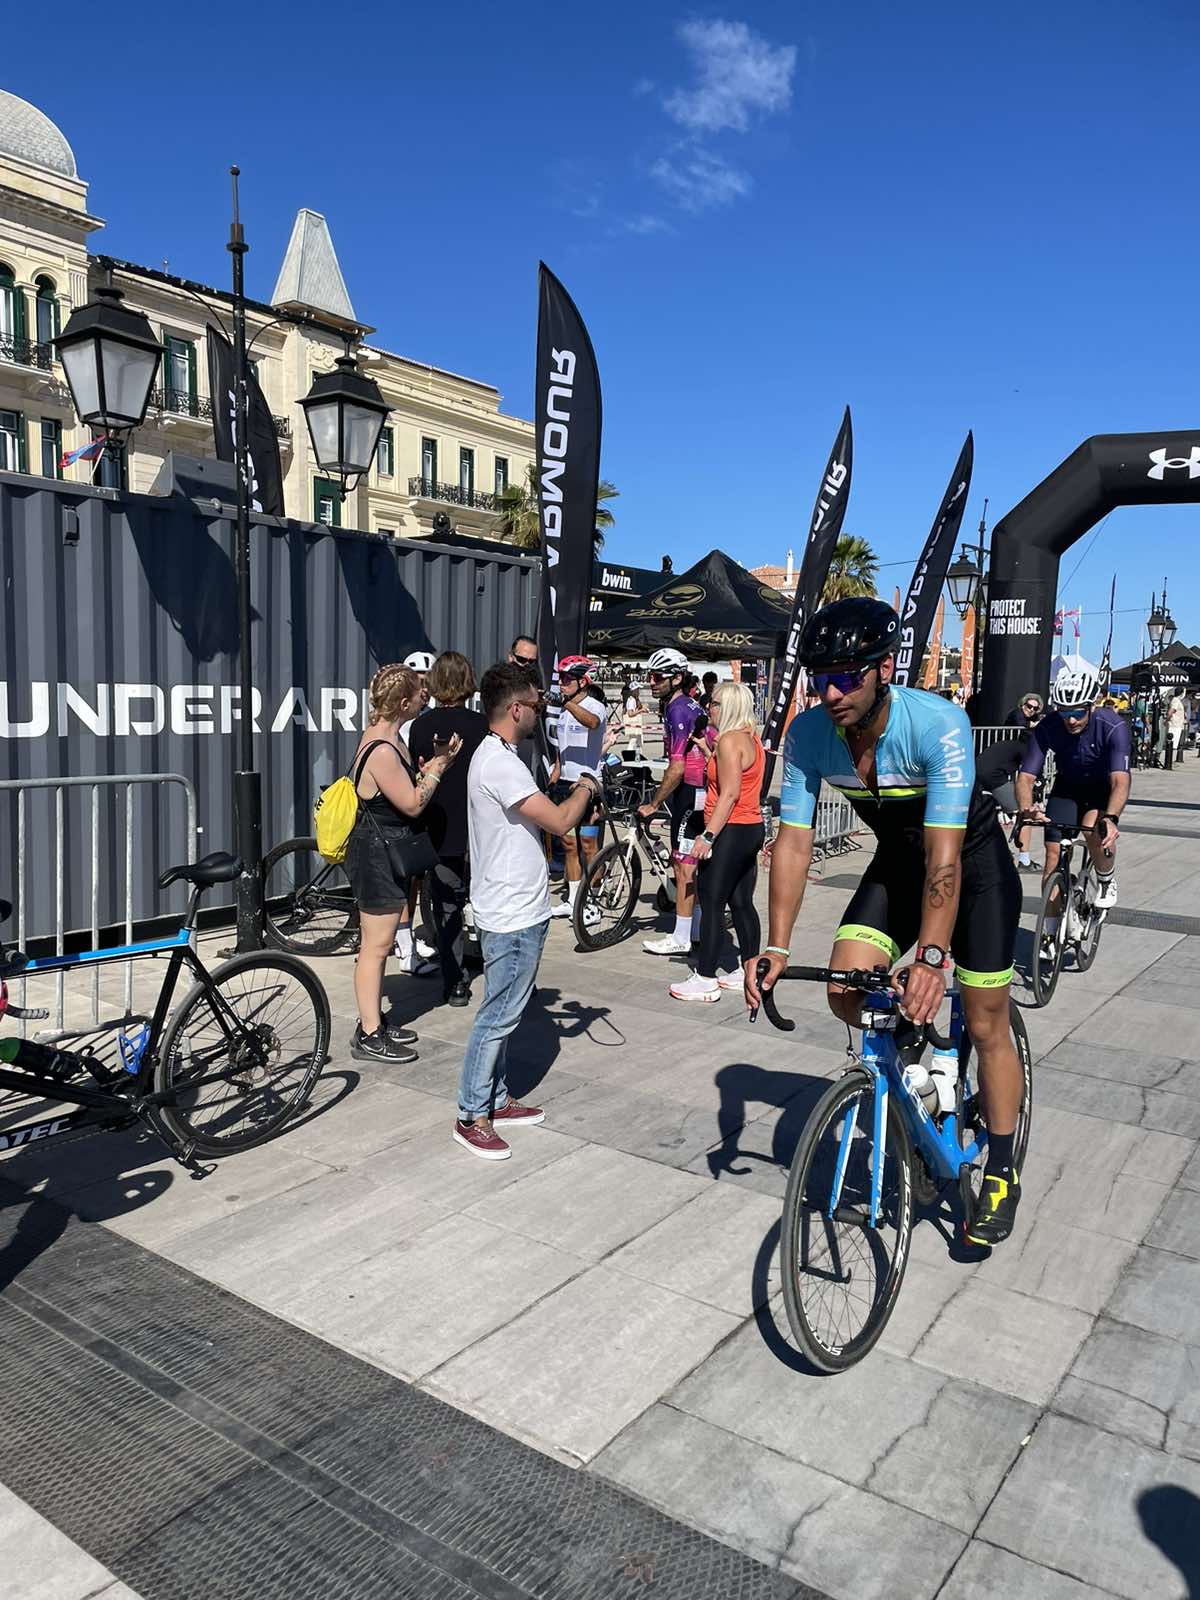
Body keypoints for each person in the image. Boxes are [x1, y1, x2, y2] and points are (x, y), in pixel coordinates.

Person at [746, 598, 1025, 1247]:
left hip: (973, 867)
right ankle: (910, 1061)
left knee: (985, 1019)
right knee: (844, 986)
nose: (832, 693)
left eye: (847, 676)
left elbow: (945, 859)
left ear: (884, 668)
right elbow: (793, 842)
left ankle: (1002, 1168)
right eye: (821, 678)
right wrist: (776, 946)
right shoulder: (809, 735)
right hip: (898, 865)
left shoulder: (937, 724)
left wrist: (930, 958)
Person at [455, 663, 601, 1160]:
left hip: (516, 904)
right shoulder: (499, 763)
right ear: (516, 709)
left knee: (504, 1011)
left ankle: (494, 1099)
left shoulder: (500, 756)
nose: (542, 712)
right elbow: (560, 821)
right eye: (537, 705)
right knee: (498, 1016)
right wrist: (588, 785)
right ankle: (470, 1115)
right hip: (510, 910)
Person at [344, 664, 462, 1062]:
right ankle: (369, 1033)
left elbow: (402, 789)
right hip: (375, 854)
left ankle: (373, 1019)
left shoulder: (390, 738)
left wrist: (425, 771)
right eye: (419, 692)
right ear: (403, 702)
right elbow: (412, 804)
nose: (424, 697)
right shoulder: (381, 748)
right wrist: (439, 768)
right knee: (376, 947)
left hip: (382, 849)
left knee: (377, 944)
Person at [1016, 661, 1131, 933]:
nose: (1070, 720)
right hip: (1067, 787)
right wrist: (1026, 809)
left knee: (1094, 829)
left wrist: (1112, 819)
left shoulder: (1112, 726)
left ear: (1091, 706)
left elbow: (1120, 780)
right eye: (1064, 712)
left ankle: (1106, 878)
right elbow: (1025, 776)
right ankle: (1050, 931)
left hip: (1101, 788)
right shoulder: (1048, 726)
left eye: (1078, 712)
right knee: (1053, 856)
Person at [670, 682, 765, 1003]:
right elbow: (736, 778)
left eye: (713, 703)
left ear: (729, 708)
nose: (707, 707)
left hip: (730, 830)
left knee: (711, 901)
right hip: (750, 828)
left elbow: (730, 793)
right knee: (741, 902)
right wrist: (710, 752)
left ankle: (705, 977)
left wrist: (708, 835)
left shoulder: (728, 740)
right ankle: (748, 969)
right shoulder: (750, 738)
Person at [408, 651, 488, 1007]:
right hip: (480, 829)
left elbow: (416, 775)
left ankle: (455, 983)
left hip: (439, 829)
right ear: (468, 681)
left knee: (446, 906)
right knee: (487, 902)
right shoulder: (483, 725)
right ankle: (498, 971)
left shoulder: (421, 727)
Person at [639, 649, 711, 956]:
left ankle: (681, 937)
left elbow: (677, 766)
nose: (651, 682)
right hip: (697, 790)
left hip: (691, 791)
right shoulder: (683, 704)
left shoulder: (678, 709)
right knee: (690, 864)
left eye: (658, 677)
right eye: (650, 676)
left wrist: (654, 803)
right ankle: (695, 930)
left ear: (677, 679)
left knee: (683, 866)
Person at [547, 656, 607, 921]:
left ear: (583, 682)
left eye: (567, 679)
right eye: (560, 678)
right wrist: (555, 775)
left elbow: (592, 723)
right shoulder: (564, 710)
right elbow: (562, 749)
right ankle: (573, 900)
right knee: (569, 844)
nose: (561, 684)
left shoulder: (595, 706)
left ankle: (593, 902)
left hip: (588, 785)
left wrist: (567, 703)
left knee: (588, 844)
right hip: (565, 784)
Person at [1003, 692, 1044, 869]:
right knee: (1021, 812)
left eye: (1035, 708)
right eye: (1029, 706)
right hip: (1003, 772)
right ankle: (1014, 856)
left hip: (1016, 771)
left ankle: (1023, 858)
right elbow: (1024, 730)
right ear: (1022, 704)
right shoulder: (1016, 715)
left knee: (1023, 812)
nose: (1031, 710)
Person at [620, 675, 644, 756]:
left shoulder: (635, 700)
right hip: (633, 723)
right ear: (634, 690)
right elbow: (630, 714)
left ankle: (638, 757)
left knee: (639, 741)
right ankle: (628, 756)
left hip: (636, 724)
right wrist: (641, 710)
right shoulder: (631, 700)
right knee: (633, 741)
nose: (639, 691)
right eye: (638, 690)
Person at [1168, 692, 1186, 765]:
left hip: (1177, 724)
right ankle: (1169, 761)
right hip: (1174, 725)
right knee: (1172, 744)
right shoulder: (1175, 700)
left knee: (1174, 744)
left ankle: (1170, 761)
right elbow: (1171, 711)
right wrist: (1167, 719)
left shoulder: (1177, 700)